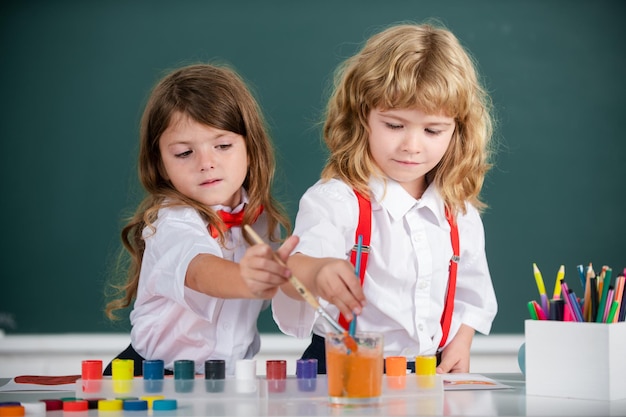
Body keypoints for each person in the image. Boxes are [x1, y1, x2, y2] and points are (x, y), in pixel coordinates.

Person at [271, 22, 498, 374]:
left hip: (426, 372)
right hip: (343, 370)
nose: (412, 145)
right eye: (394, 125)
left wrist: (462, 339)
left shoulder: (458, 210)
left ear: (458, 130)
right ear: (362, 117)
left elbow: (472, 290)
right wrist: (317, 272)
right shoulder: (337, 201)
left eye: (432, 130)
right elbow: (293, 271)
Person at [103, 63, 298, 376]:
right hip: (153, 376)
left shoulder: (262, 223)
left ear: (251, 147)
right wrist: (245, 278)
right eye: (184, 153)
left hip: (226, 378)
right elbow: (199, 272)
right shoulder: (170, 221)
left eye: (222, 146)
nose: (207, 163)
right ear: (161, 164)